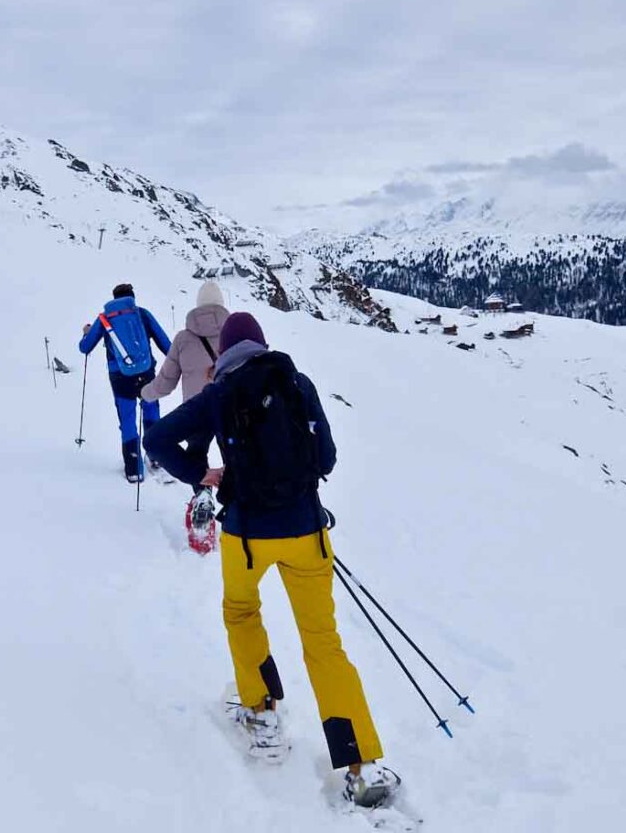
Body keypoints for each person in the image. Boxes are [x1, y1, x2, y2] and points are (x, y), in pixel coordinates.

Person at [142, 311, 397, 808]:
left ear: (229, 350)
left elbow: (157, 439)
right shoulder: (296, 382)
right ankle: (362, 765)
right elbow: (325, 459)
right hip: (306, 531)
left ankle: (261, 712)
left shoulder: (219, 393)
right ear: (261, 344)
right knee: (324, 642)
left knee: (241, 613)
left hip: (246, 536)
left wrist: (203, 473)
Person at [141, 281, 229, 521]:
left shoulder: (183, 339)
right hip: (230, 409)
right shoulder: (233, 334)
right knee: (234, 453)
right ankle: (240, 502)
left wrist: (145, 393)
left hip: (196, 411)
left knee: (196, 453)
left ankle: (203, 493)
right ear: (222, 304)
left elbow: (166, 383)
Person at [79, 283, 171, 483]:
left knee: (128, 419)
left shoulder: (104, 319)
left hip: (120, 377)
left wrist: (87, 333)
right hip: (146, 373)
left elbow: (85, 348)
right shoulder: (142, 314)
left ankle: (133, 468)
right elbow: (166, 344)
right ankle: (156, 457)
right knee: (151, 411)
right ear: (132, 298)